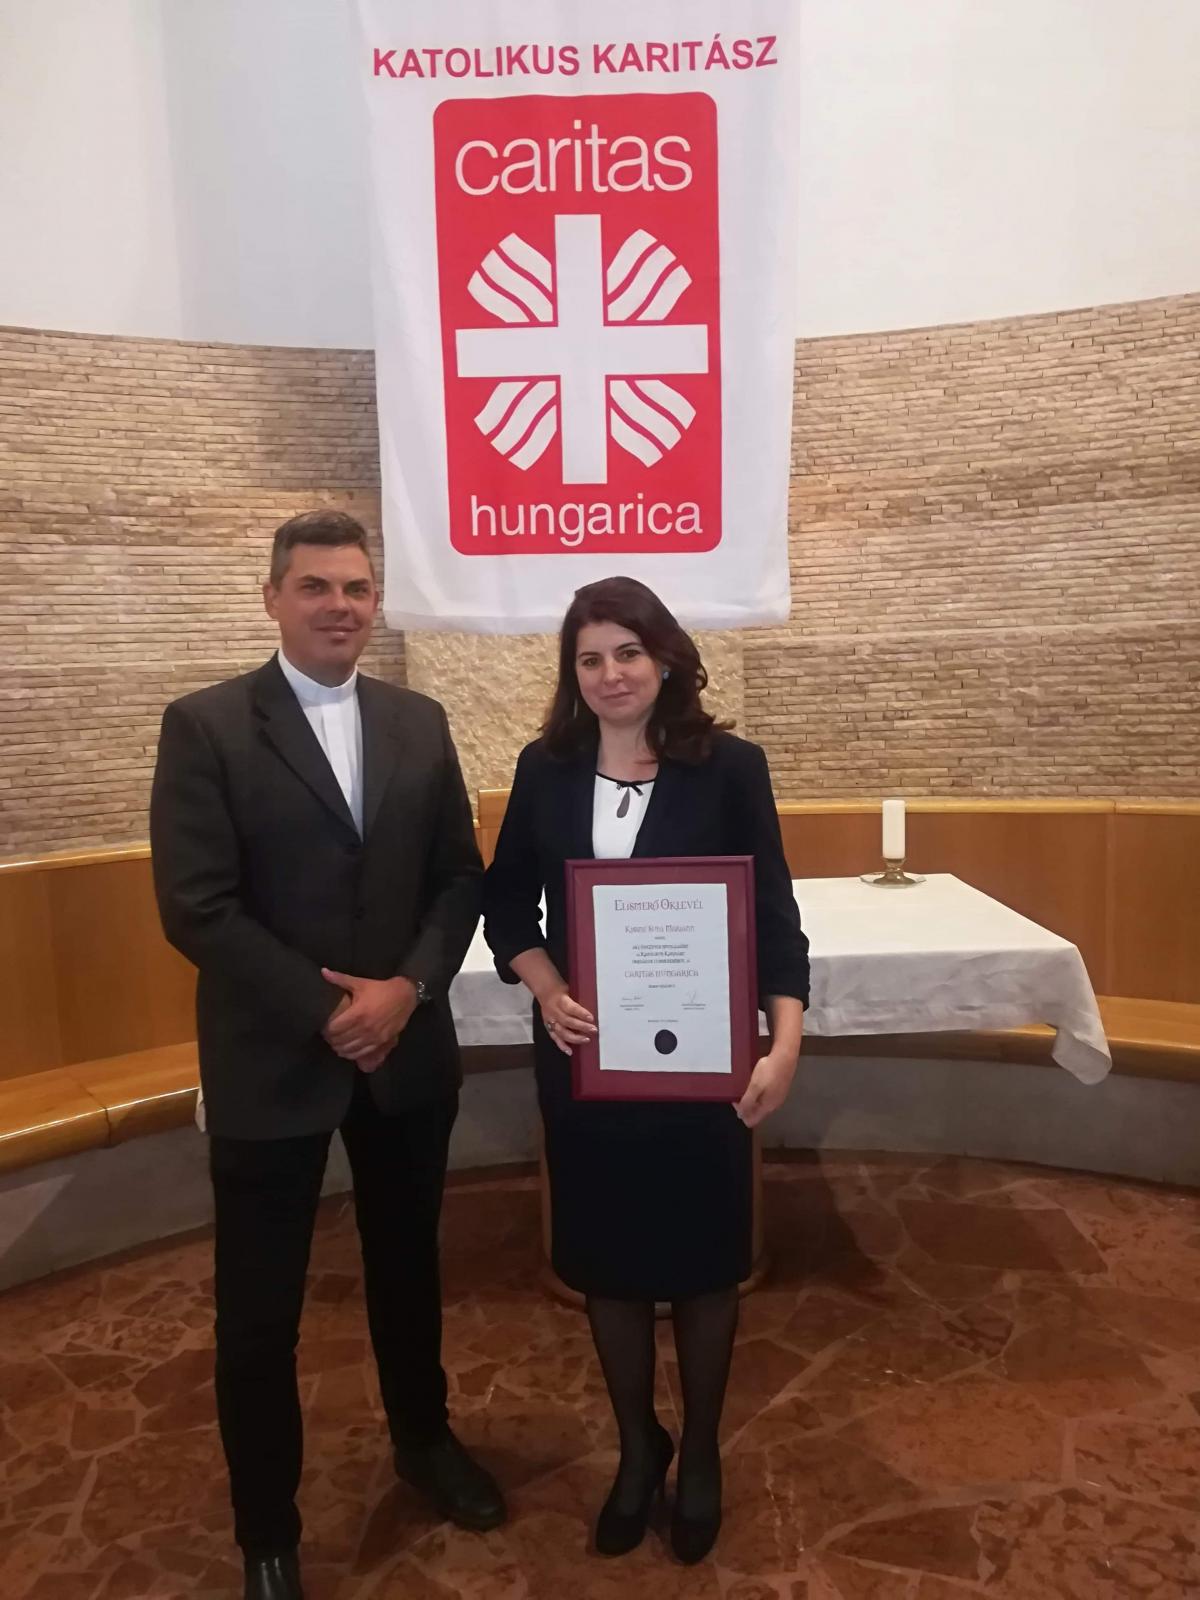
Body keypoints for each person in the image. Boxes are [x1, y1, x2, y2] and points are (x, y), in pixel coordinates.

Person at [150, 511, 504, 1600]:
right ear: (273, 598)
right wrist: (325, 1008)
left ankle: (425, 1441)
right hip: (272, 1060)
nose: (338, 605)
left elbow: (459, 877)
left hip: (405, 1053)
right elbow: (196, 905)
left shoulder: (417, 719)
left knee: (409, 1270)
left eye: (355, 587)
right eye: (315, 586)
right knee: (259, 1315)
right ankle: (268, 1531)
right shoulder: (207, 725)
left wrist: (407, 990)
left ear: (374, 600)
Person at [483, 576, 809, 1565]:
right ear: (571, 674)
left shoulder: (730, 768)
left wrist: (784, 1044)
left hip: (703, 1068)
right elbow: (507, 907)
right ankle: (639, 1448)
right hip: (588, 1060)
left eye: (627, 652)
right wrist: (547, 987)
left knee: (705, 1265)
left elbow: (777, 920)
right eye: (589, 658)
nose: (610, 673)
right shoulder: (545, 768)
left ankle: (700, 1450)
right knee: (609, 1266)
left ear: (665, 658)